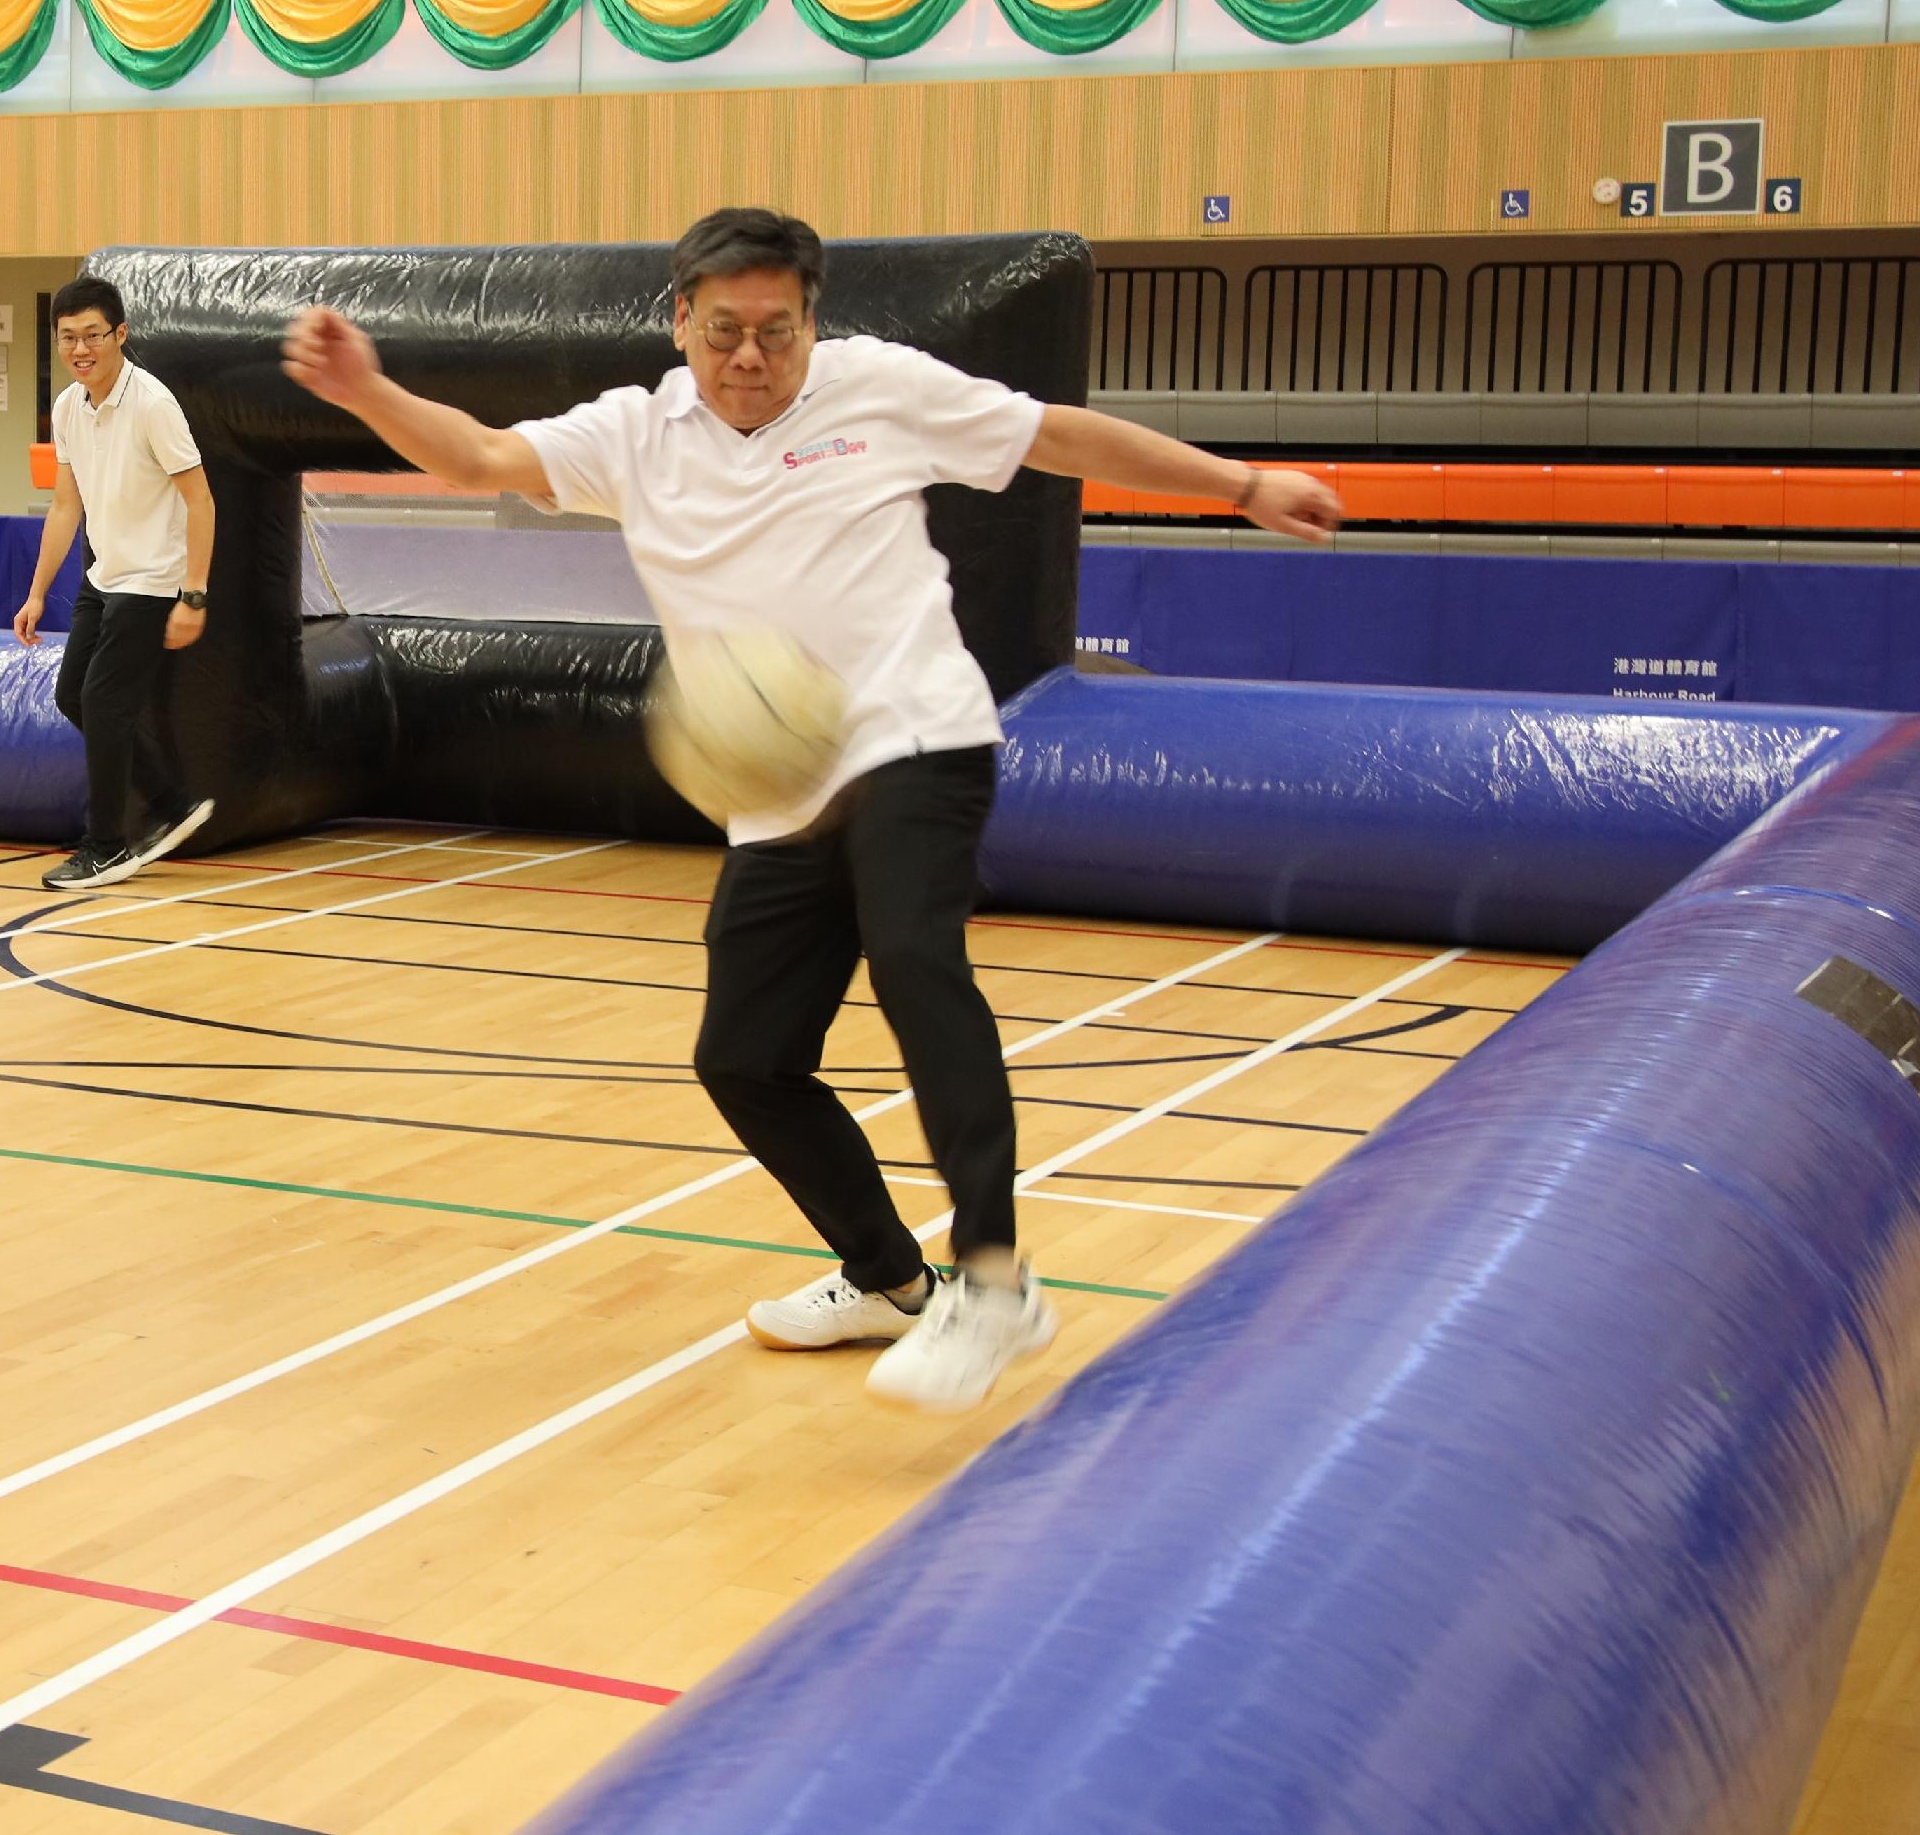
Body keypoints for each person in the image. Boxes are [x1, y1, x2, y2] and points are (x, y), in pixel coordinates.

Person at [280, 206, 1347, 1411]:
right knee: (743, 1059)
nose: (749, 356)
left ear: (811, 325)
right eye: (725, 330)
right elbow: (475, 460)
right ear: (679, 320)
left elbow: (1055, 436)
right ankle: (888, 1279)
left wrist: (1243, 482)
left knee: (911, 958)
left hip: (911, 733)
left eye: (775, 333)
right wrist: (367, 390)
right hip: (776, 788)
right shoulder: (634, 434)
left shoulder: (879, 390)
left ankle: (992, 1282)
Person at [13, 276, 216, 889]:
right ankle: (172, 800)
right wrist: (37, 591)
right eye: (68, 338)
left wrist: (193, 596)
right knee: (72, 695)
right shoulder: (68, 407)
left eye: (93, 336)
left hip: (153, 581)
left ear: (119, 335)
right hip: (104, 576)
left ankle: (106, 846)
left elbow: (201, 501)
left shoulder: (153, 404)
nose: (81, 349)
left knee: (103, 702)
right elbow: (64, 507)